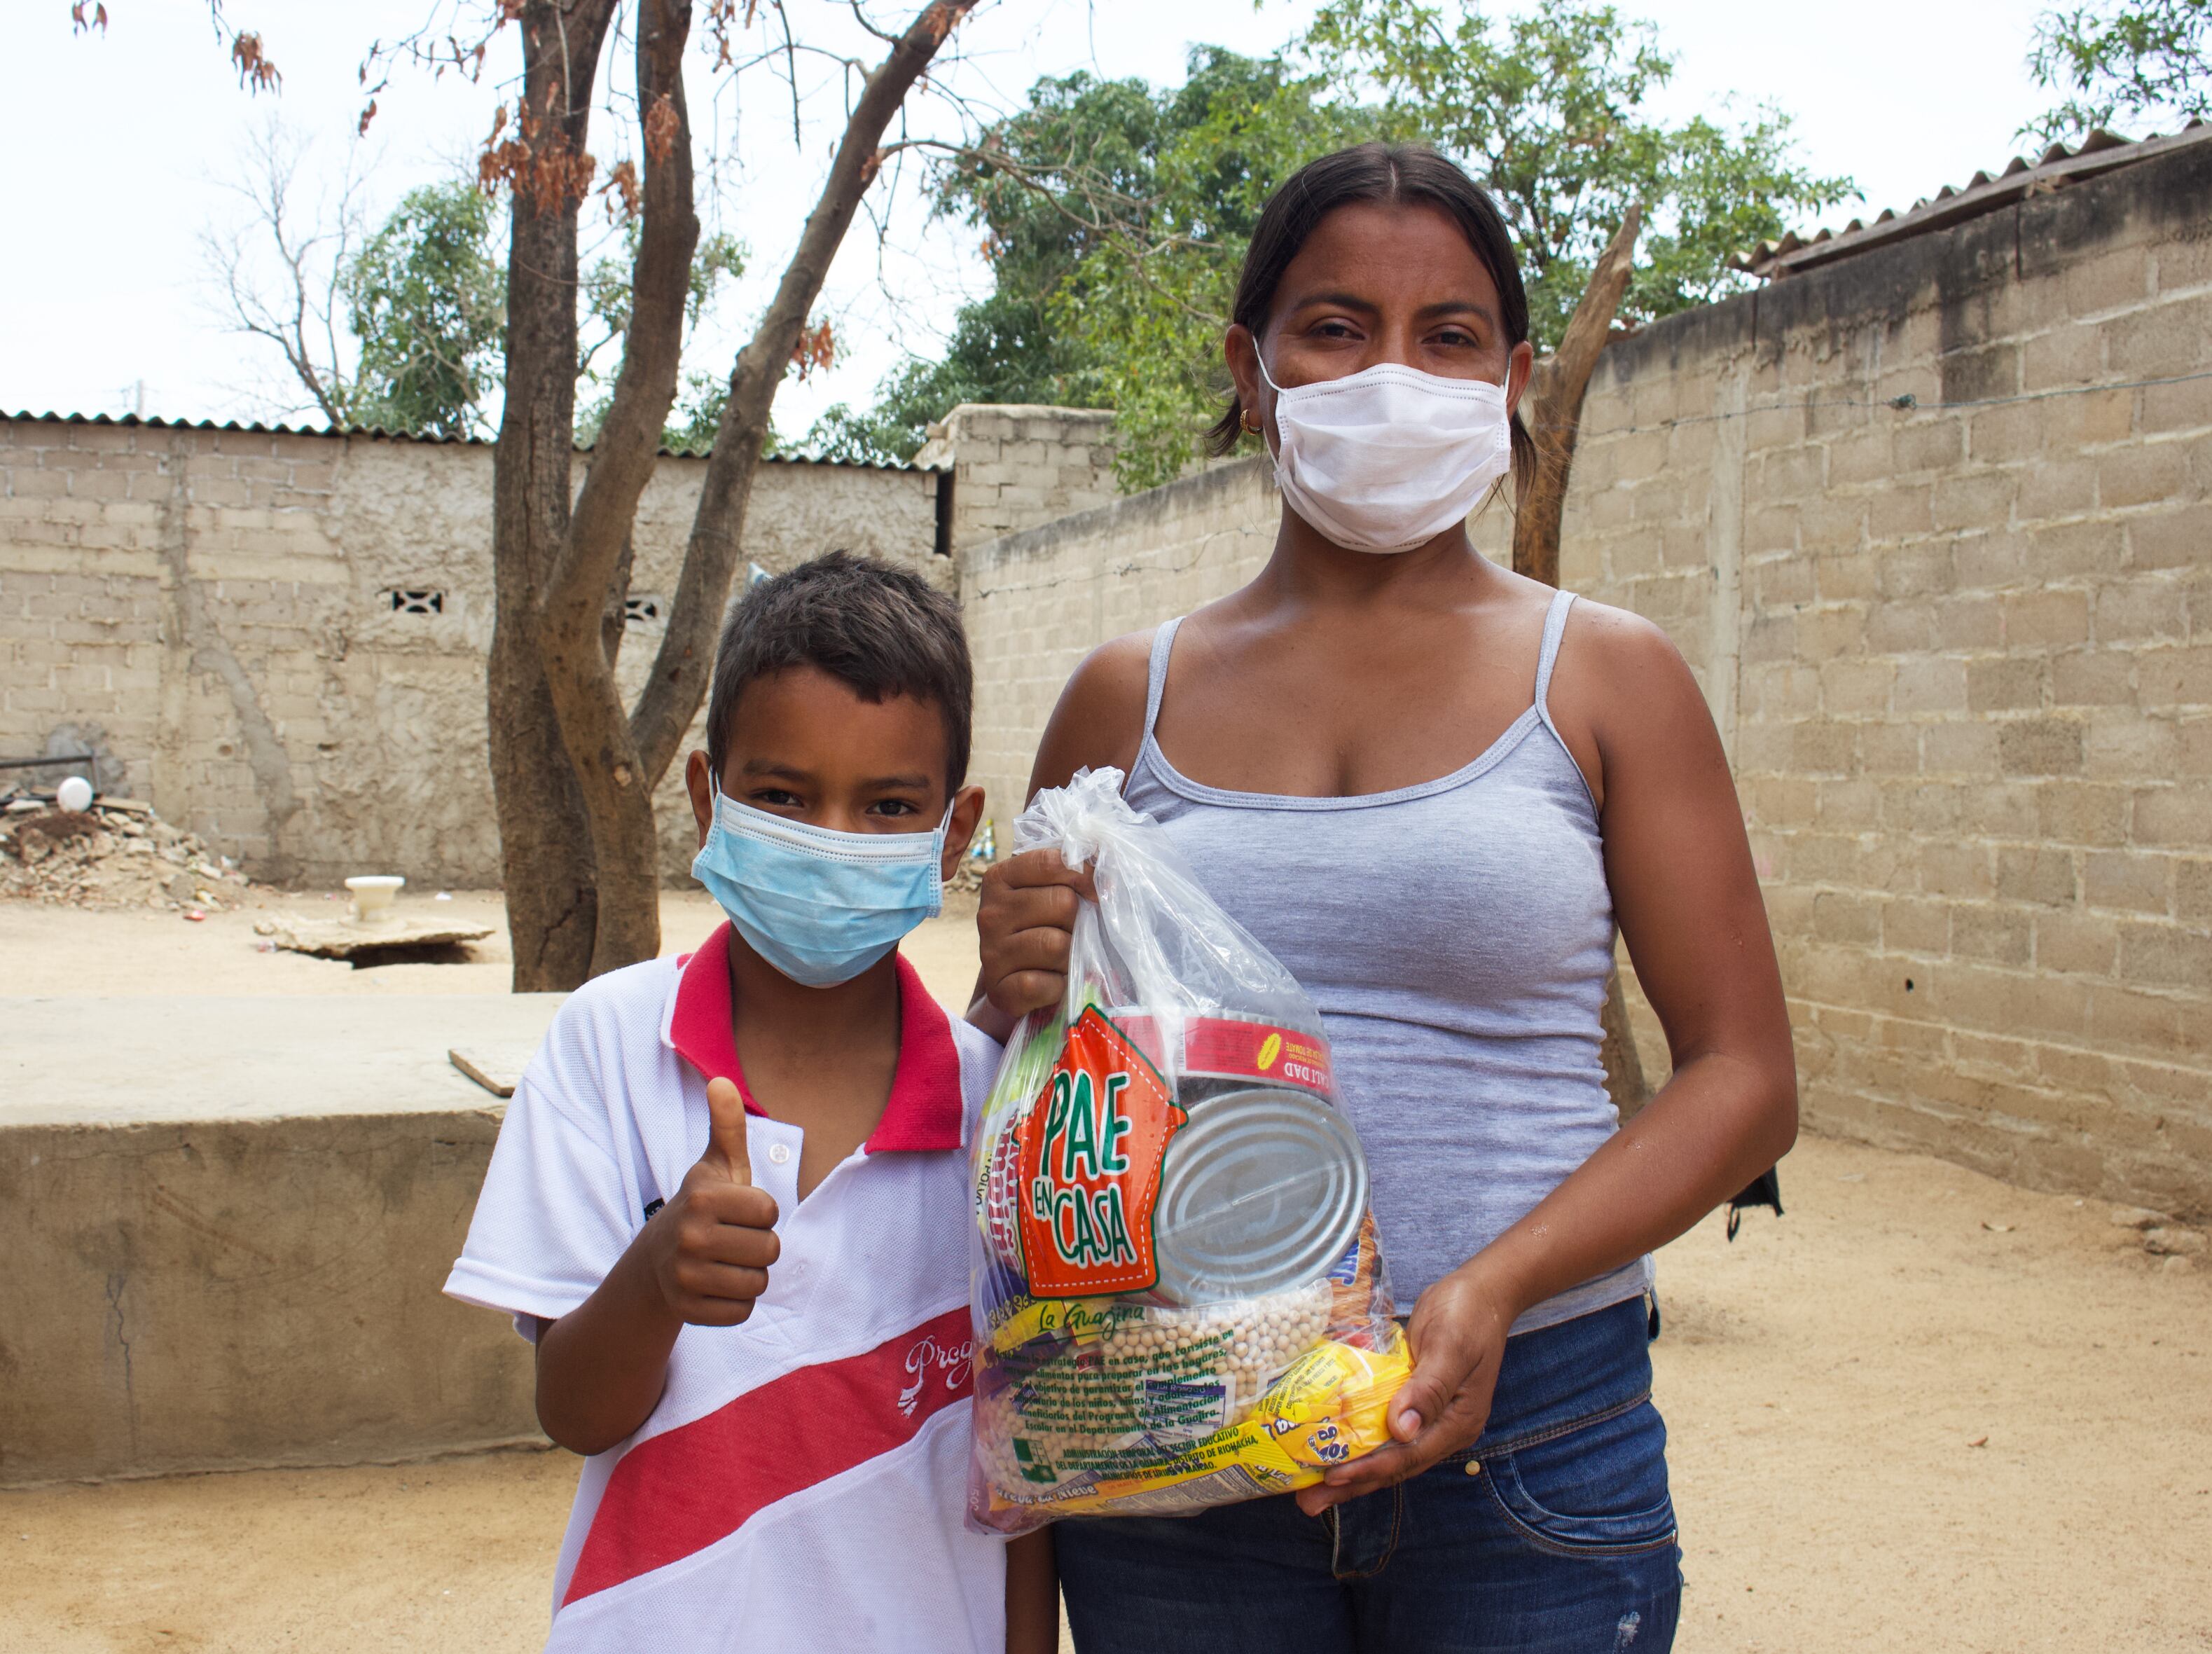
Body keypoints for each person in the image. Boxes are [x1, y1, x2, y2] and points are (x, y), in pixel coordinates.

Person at [974, 143, 1798, 1653]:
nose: (1392, 373)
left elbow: (1745, 1078)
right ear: (1252, 363)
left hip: (1530, 1432)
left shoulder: (1609, 677)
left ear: (1513, 377)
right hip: (1175, 1421)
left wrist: (1490, 1286)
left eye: (1450, 336)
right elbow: (1041, 1082)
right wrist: (1009, 973)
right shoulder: (1122, 697)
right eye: (1337, 327)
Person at [446, 552, 1056, 1653]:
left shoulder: (999, 1114)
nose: (830, 836)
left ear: (954, 830)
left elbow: (1022, 1478)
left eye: (886, 805)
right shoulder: (610, 1044)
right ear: (705, 797)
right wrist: (655, 1274)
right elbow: (573, 1412)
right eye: (782, 796)